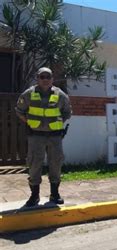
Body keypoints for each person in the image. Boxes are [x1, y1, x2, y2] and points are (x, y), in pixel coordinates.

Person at [16, 67, 72, 207]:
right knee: (34, 164)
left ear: (52, 79)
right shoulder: (29, 94)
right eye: (42, 77)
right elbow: (20, 111)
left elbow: (67, 112)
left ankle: (55, 194)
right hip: (36, 136)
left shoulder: (60, 95)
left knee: (56, 163)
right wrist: (30, 122)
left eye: (48, 77)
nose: (45, 79)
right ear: (37, 78)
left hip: (55, 137)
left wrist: (57, 124)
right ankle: (34, 196)